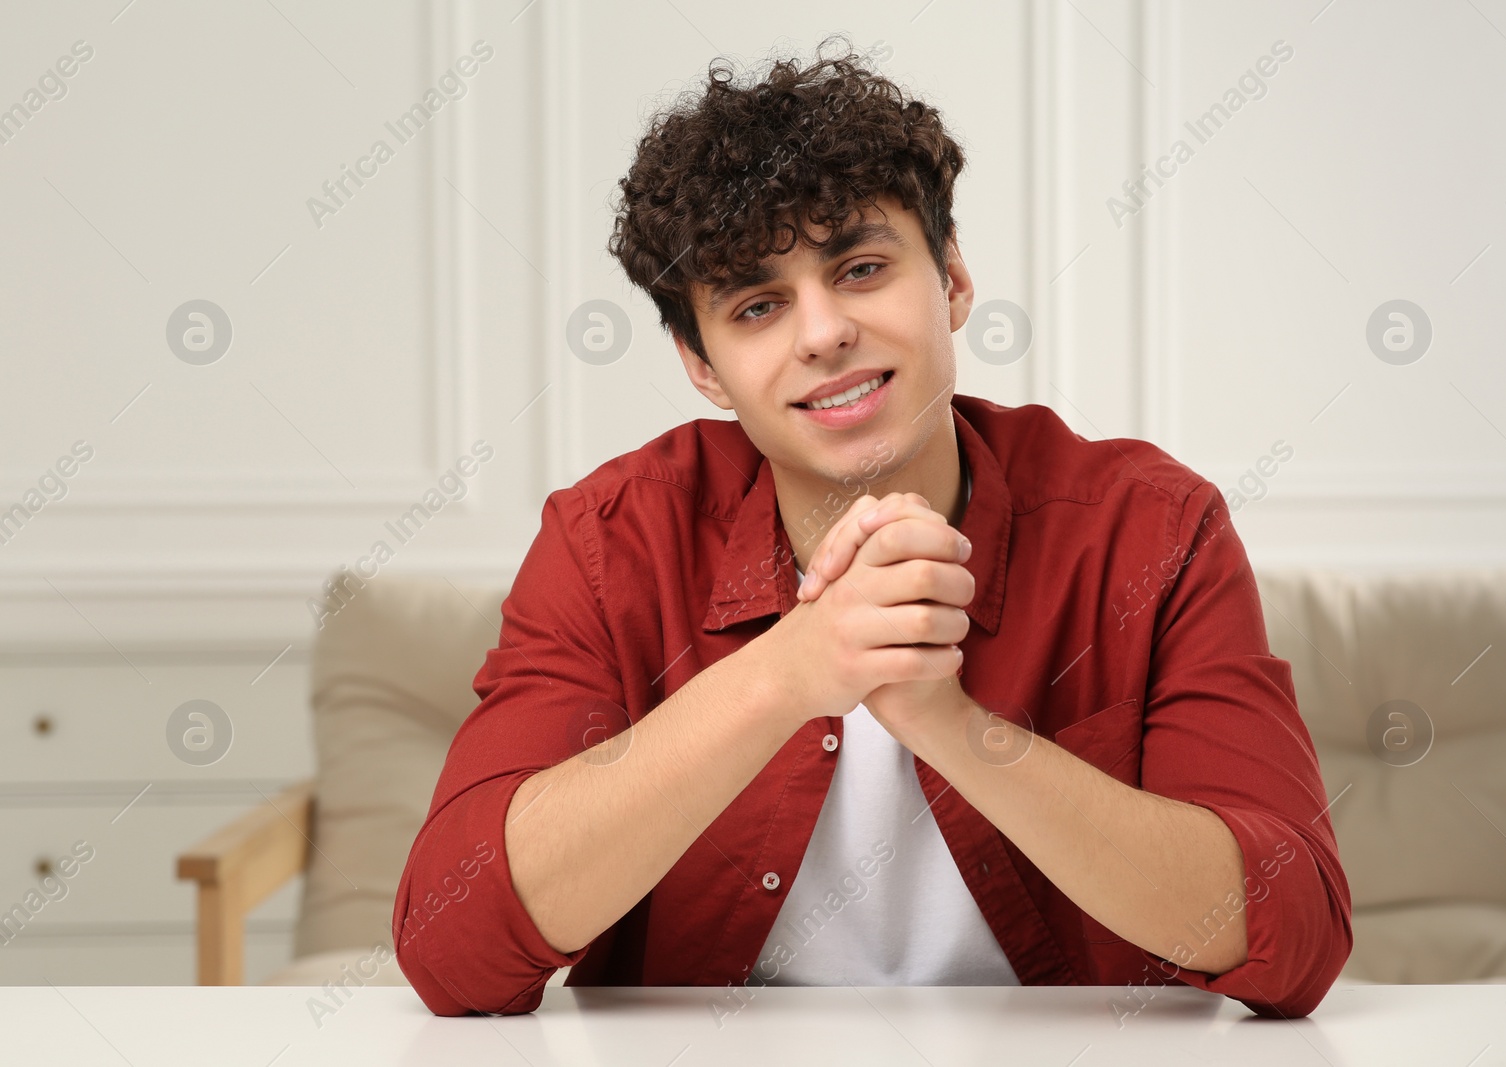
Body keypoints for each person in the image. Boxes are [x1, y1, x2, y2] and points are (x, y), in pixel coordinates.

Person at [392, 35, 1351, 1020]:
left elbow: (1295, 937)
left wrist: (952, 725)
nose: (820, 333)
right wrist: (785, 673)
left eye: (859, 268)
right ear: (703, 366)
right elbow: (449, 950)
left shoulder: (1149, 530)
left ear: (951, 283)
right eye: (758, 305)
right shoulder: (610, 542)